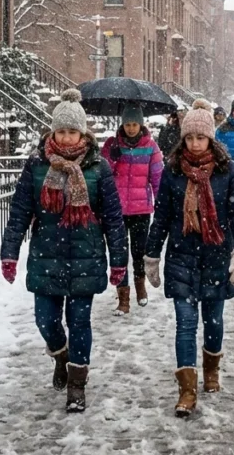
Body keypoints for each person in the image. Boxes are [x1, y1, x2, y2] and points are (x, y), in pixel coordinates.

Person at [0, 88, 127, 412]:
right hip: (46, 256)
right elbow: (20, 211)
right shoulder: (36, 165)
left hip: (86, 256)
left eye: (72, 131)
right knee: (45, 320)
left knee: (80, 321)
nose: (67, 138)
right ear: (53, 132)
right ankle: (61, 355)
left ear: (82, 133)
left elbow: (113, 217)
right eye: (61, 131)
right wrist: (10, 252)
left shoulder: (98, 167)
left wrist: (118, 260)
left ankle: (77, 385)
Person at [144, 99, 234, 418]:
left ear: (210, 139)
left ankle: (212, 369)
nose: (194, 143)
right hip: (181, 256)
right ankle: (187, 390)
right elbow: (162, 215)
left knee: (214, 321)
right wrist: (152, 254)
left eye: (200, 138)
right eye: (189, 137)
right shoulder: (173, 171)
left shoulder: (227, 171)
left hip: (217, 257)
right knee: (185, 324)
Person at [101, 104, 164, 313]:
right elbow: (102, 173)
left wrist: (161, 204)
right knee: (118, 252)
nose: (130, 128)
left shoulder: (151, 147)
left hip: (141, 209)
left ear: (140, 125)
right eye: (127, 124)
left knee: (139, 251)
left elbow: (157, 177)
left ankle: (140, 286)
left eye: (134, 124)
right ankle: (123, 298)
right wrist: (112, 157)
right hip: (116, 209)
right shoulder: (112, 144)